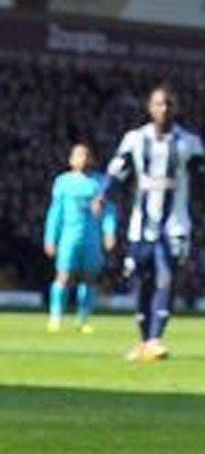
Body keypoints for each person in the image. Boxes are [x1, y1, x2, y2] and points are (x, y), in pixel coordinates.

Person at [98, 83, 205, 362]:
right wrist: (102, 195)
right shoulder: (135, 139)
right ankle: (144, 340)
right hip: (141, 226)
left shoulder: (189, 143)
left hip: (175, 225)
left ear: (176, 108)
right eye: (159, 103)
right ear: (150, 108)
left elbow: (203, 182)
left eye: (169, 104)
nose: (164, 109)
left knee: (166, 276)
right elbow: (118, 171)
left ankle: (156, 338)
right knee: (141, 281)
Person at [44, 143, 116, 333]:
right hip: (69, 236)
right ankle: (55, 317)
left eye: (86, 155)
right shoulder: (63, 182)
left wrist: (109, 232)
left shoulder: (100, 182)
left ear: (91, 159)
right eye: (78, 155)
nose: (82, 159)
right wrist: (50, 237)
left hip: (91, 237)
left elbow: (108, 210)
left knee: (89, 277)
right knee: (63, 276)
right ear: (71, 160)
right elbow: (55, 212)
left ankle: (82, 319)